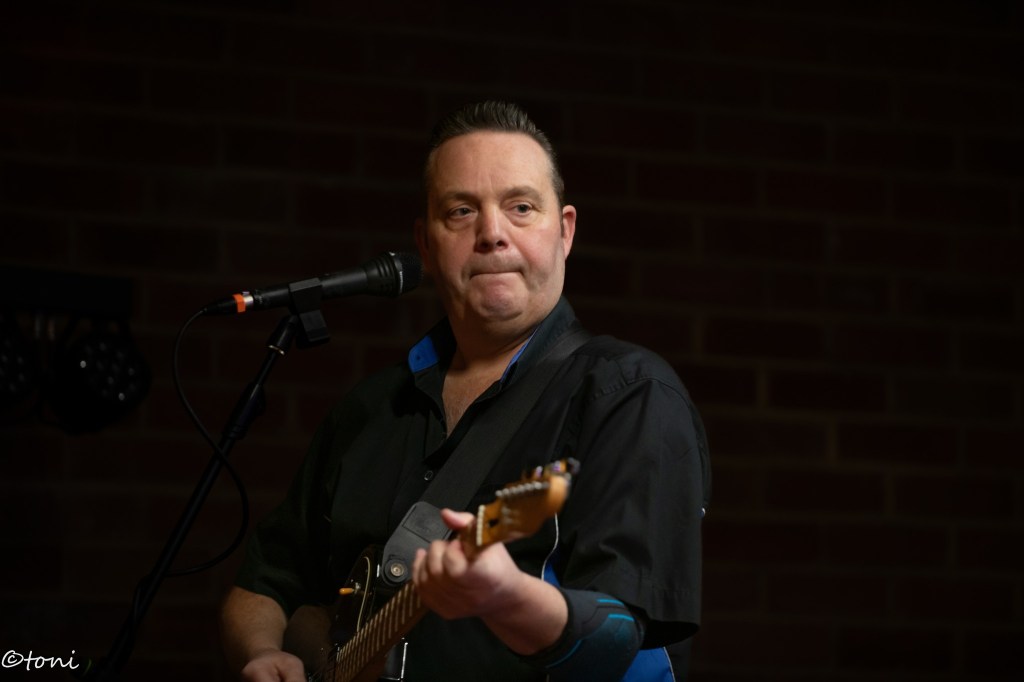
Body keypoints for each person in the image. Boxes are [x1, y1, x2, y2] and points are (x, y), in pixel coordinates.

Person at [220, 101, 710, 681]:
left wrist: (504, 596)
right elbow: (262, 584)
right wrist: (261, 651)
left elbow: (622, 642)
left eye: (521, 207)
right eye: (461, 211)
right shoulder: (367, 411)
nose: (492, 234)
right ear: (425, 245)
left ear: (565, 231)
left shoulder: (629, 395)